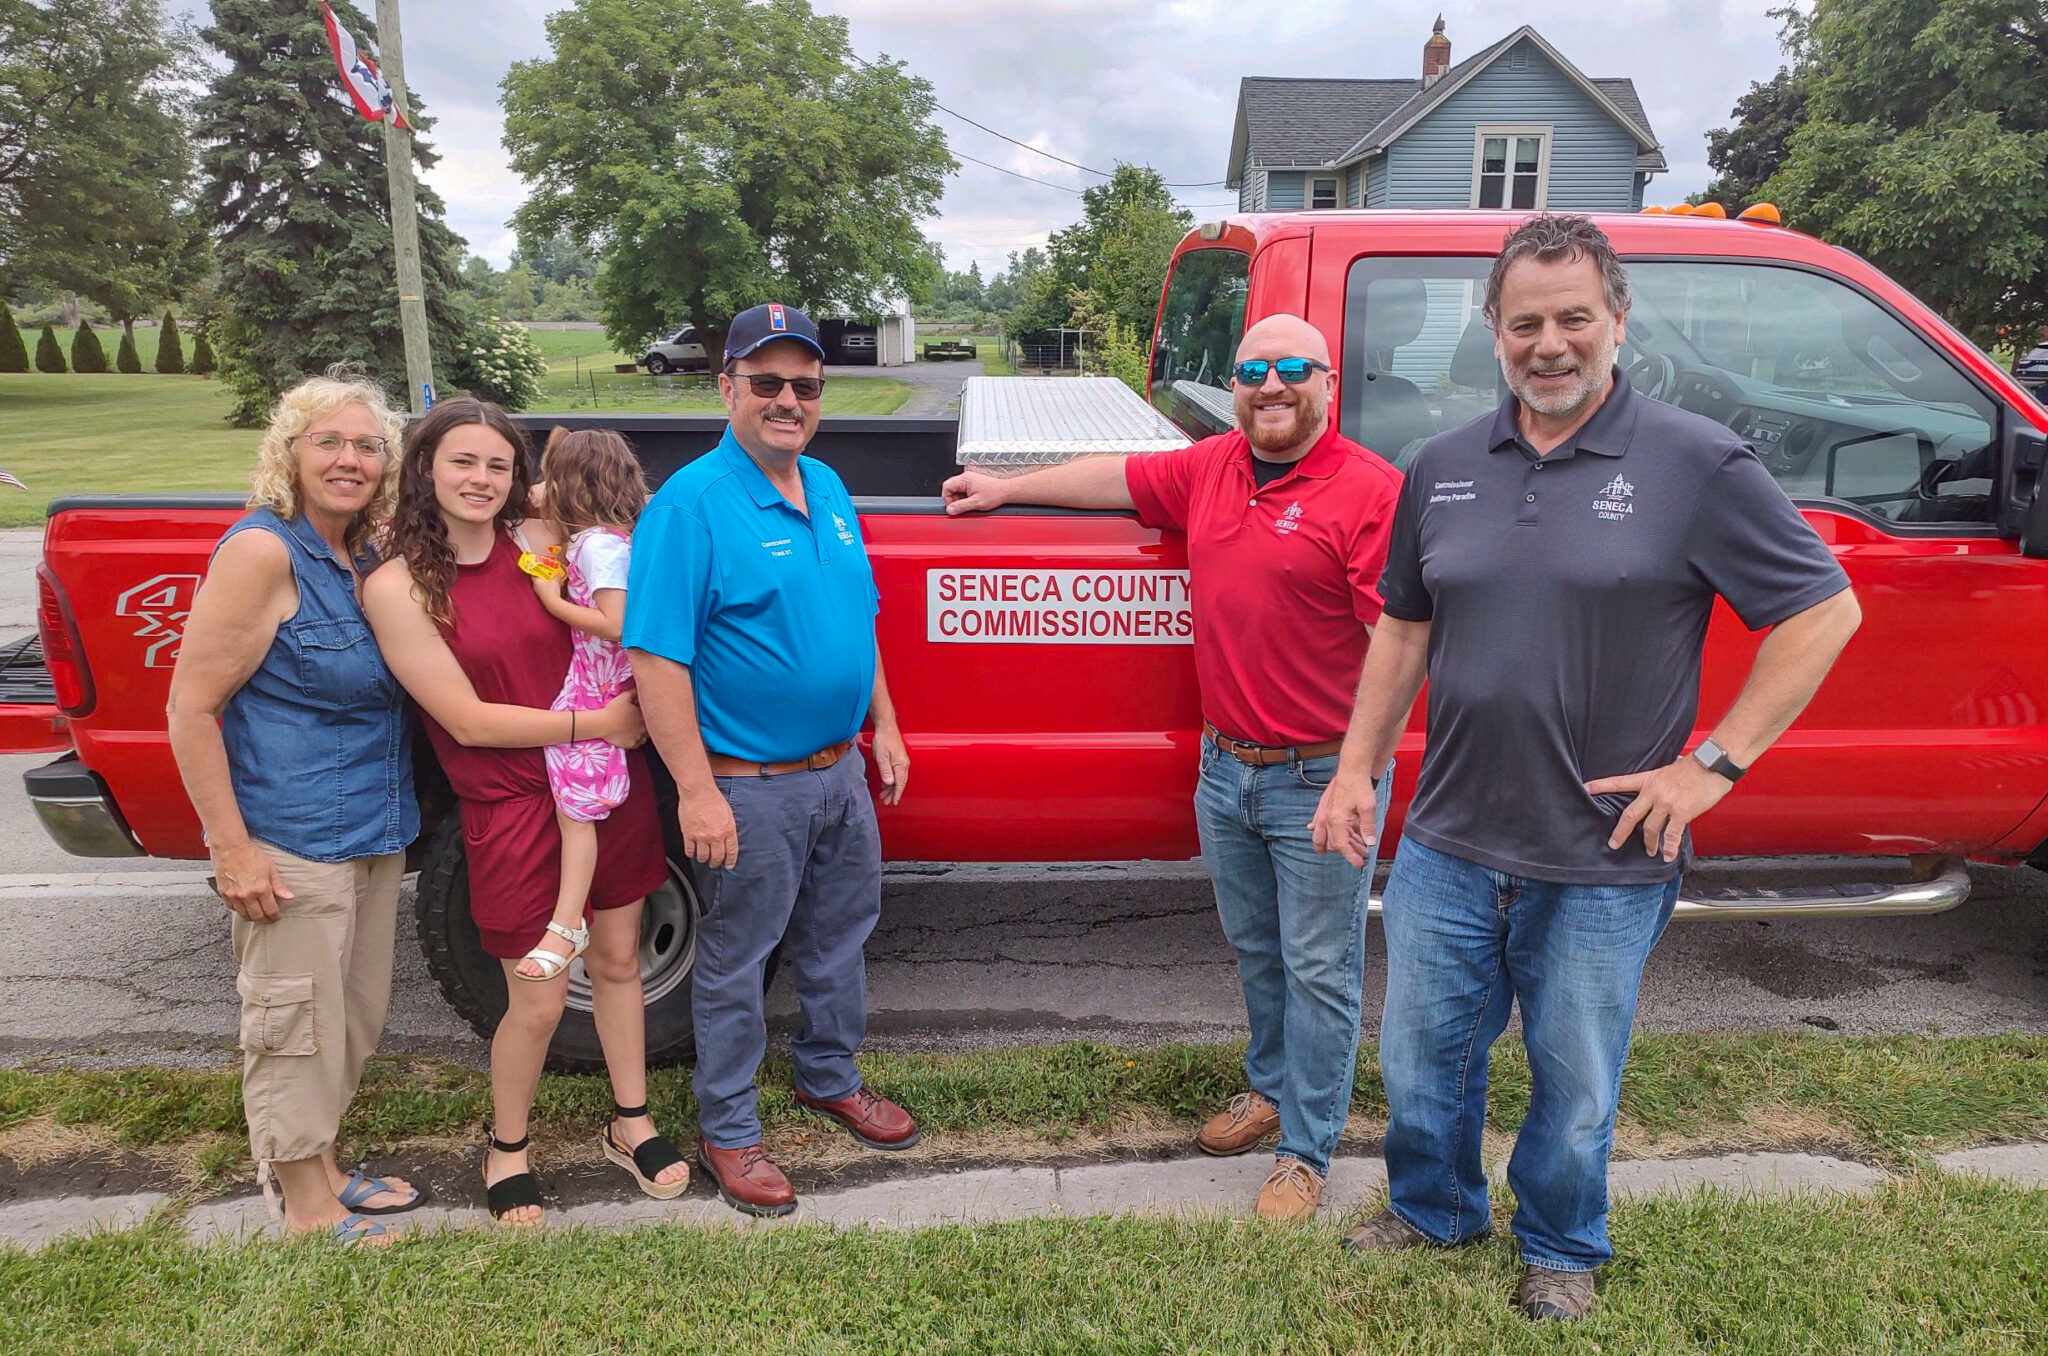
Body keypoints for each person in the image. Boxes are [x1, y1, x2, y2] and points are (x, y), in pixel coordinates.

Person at [1311, 214, 1862, 1320]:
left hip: (1604, 854)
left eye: (1572, 318)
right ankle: (1432, 1211)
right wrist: (1354, 768)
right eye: (1524, 323)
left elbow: (1821, 610)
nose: (1548, 343)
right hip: (1448, 841)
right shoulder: (1442, 466)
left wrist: (1709, 766)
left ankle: (1560, 1244)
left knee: (1571, 1080)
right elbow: (1403, 630)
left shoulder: (1695, 463)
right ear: (1494, 333)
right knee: (1421, 1060)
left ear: (1616, 320)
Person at [944, 313, 1403, 1220]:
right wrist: (1004, 489)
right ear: (1234, 385)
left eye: (1291, 370)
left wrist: (1360, 772)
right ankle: (1268, 1087)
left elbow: (1400, 641)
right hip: (1225, 768)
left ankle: (1305, 1153)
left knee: (1322, 968)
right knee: (1258, 949)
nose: (1271, 386)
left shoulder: (1369, 492)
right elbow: (1114, 476)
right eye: (1253, 371)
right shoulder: (1213, 467)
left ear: (1328, 384)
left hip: (1320, 778)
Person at [362, 398, 691, 1224]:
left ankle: (631, 1120)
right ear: (424, 468)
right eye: (460, 462)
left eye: (498, 465)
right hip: (513, 805)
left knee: (617, 962)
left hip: (602, 791)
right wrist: (599, 723)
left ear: (522, 477)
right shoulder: (400, 585)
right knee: (539, 999)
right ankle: (508, 1146)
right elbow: (465, 719)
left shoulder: (540, 542)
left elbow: (589, 493)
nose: (480, 479)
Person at [624, 303, 915, 1217]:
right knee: (738, 960)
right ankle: (730, 1129)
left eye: (805, 385)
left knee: (839, 939)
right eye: (767, 382)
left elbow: (856, 622)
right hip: (749, 789)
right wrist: (697, 792)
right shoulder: (690, 508)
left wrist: (887, 729)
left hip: (838, 774)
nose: (788, 400)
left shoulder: (825, 486)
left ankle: (828, 1077)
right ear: (727, 389)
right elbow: (656, 660)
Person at [167, 371, 425, 1246]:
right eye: (330, 442)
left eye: (366, 446)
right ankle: (304, 1211)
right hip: (293, 838)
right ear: (290, 452)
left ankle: (326, 1172)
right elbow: (190, 707)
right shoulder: (263, 552)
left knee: (346, 1022)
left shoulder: (357, 556)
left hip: (373, 832)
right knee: (291, 1027)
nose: (349, 459)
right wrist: (232, 849)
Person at [513, 428, 650, 984]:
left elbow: (617, 624)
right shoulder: (618, 538)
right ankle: (569, 921)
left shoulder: (596, 546)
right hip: (602, 684)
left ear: (572, 485)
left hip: (596, 688)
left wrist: (552, 602)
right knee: (580, 811)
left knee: (576, 815)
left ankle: (567, 923)